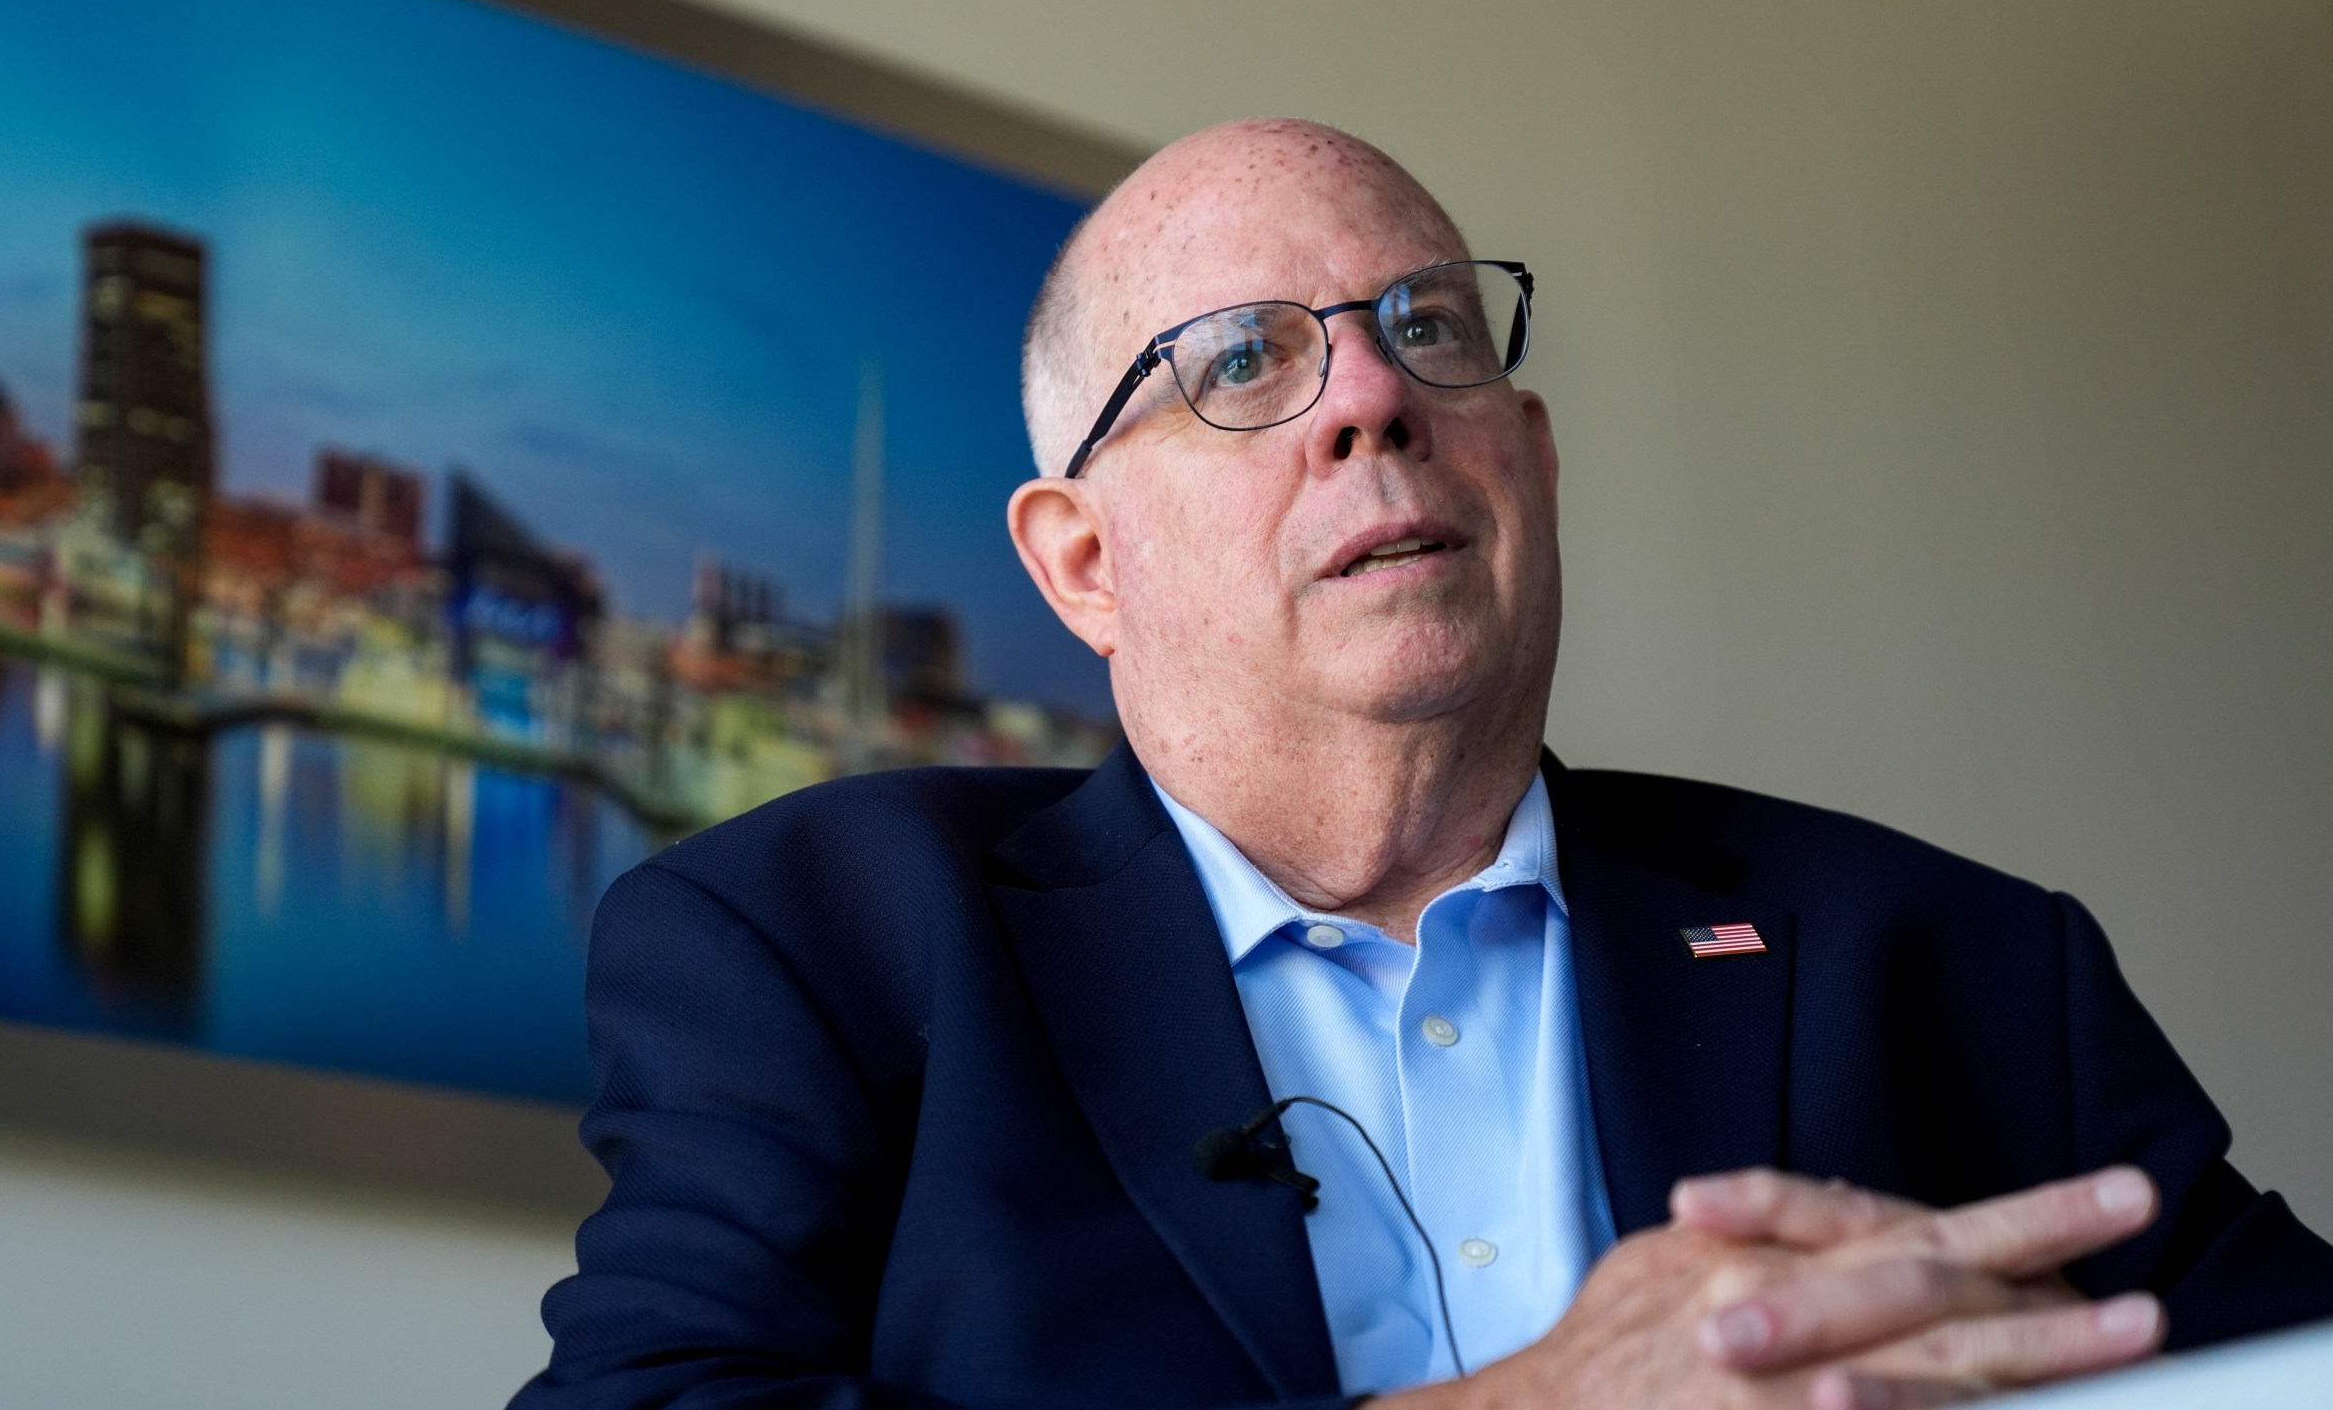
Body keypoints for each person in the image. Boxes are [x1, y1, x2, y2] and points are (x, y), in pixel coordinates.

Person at [510, 120, 2333, 1410]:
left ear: (1526, 463)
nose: (1372, 397)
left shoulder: (1963, 969)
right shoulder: (816, 944)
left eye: (1429, 329)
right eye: (1239, 364)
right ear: (1082, 564)